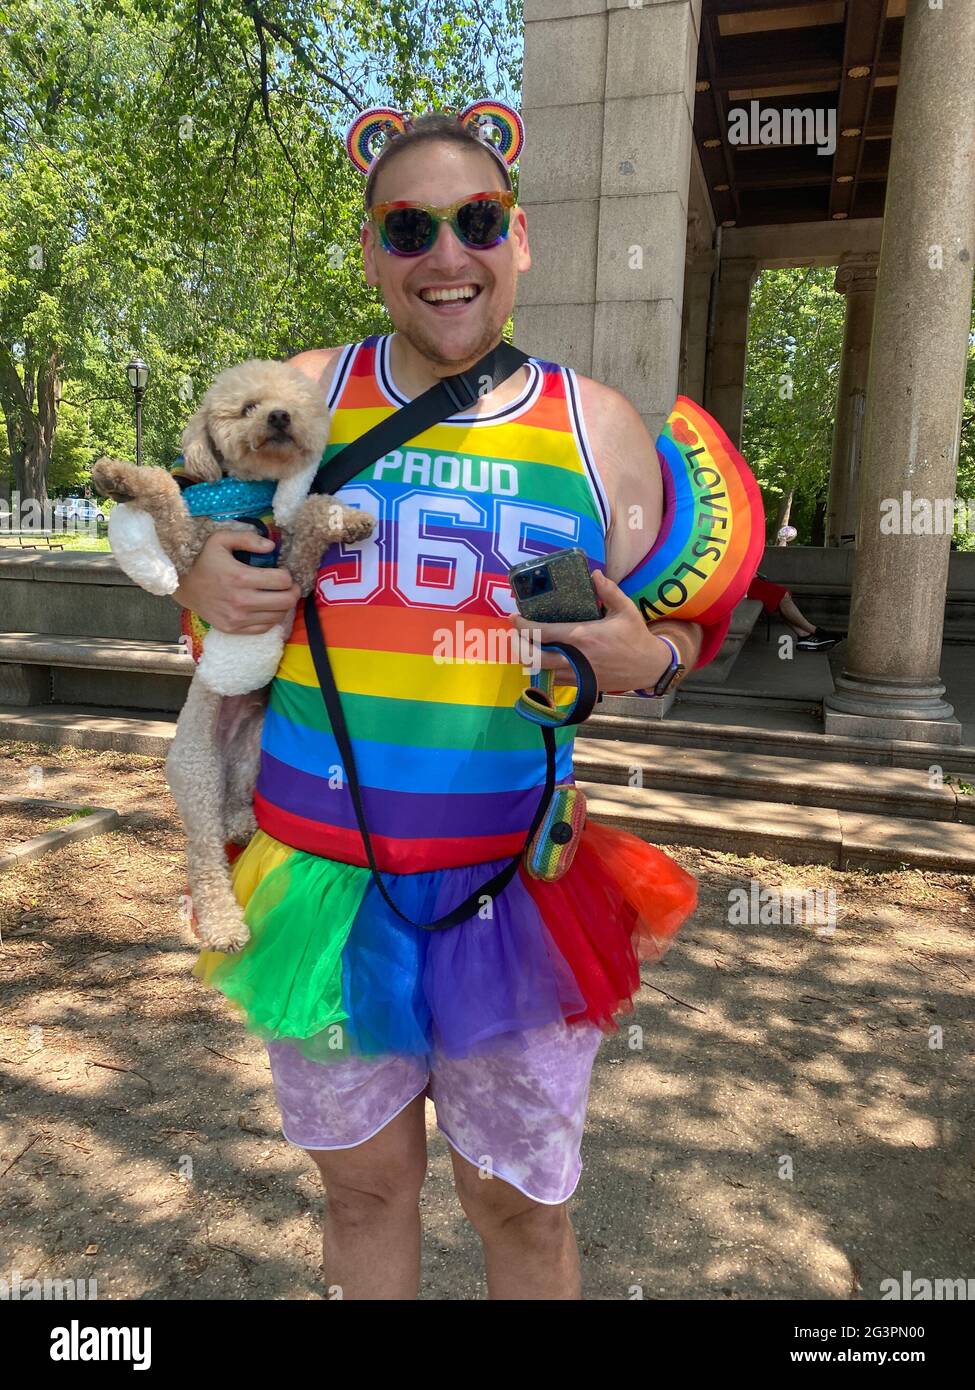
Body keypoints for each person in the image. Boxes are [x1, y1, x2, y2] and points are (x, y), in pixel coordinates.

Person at [169, 106, 753, 1300]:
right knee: (367, 1188)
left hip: (517, 894)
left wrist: (660, 663)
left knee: (520, 1210)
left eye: (477, 221)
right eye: (410, 227)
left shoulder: (602, 430)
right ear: (376, 246)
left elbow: (682, 620)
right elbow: (192, 551)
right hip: (317, 888)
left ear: (520, 238)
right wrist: (198, 573)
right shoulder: (301, 398)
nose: (447, 254)